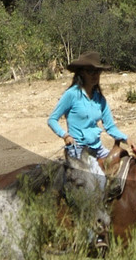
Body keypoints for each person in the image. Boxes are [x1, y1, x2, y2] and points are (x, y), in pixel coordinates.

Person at [47, 51, 129, 195]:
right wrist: (65, 135)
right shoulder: (72, 94)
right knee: (99, 181)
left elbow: (110, 126)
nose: (95, 75)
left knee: (125, 167)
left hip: (98, 148)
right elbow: (52, 119)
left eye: (97, 71)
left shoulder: (100, 99)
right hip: (78, 150)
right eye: (90, 71)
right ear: (81, 73)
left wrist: (127, 139)